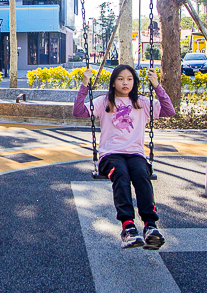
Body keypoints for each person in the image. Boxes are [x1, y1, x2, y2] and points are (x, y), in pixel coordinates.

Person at [73, 64, 176, 250]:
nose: (125, 82)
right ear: (113, 83)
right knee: (121, 175)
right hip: (110, 155)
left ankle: (150, 226)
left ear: (134, 82)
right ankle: (128, 227)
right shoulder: (104, 101)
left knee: (141, 175)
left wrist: (157, 86)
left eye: (129, 79)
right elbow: (78, 112)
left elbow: (169, 111)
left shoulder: (142, 102)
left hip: (135, 153)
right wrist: (84, 85)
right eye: (120, 79)